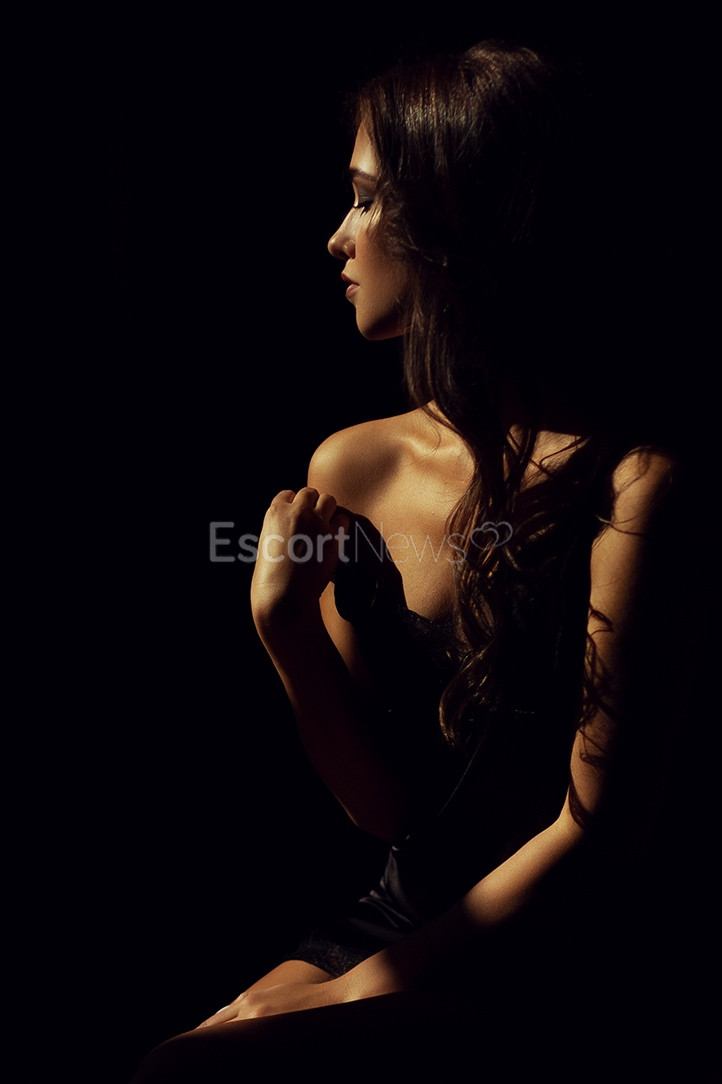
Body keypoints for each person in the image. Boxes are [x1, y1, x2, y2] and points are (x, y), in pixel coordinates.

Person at [132, 40, 710, 1081]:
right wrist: (284, 629)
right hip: (408, 912)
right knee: (172, 1064)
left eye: (364, 201)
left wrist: (358, 990)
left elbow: (598, 839)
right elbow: (391, 813)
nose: (336, 236)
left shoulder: (635, 489)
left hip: (559, 951)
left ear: (452, 226)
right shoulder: (352, 468)